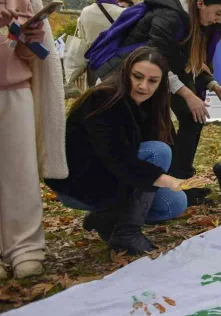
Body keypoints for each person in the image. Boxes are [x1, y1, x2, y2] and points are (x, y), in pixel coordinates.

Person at [45, 47, 187, 254]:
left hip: (113, 176)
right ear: (125, 72)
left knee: (174, 203)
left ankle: (106, 217)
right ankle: (127, 232)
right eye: (137, 77)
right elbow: (117, 158)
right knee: (159, 152)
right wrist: (166, 180)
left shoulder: (149, 104)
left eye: (152, 81)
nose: (143, 86)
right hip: (82, 182)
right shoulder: (103, 99)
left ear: (160, 83)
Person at [94, 0, 221, 179]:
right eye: (218, 13)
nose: (219, 20)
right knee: (158, 132)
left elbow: (184, 60)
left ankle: (175, 180)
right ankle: (162, 181)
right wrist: (187, 94)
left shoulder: (191, 20)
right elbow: (156, 61)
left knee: (183, 122)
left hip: (153, 76)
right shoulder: (170, 16)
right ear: (201, 3)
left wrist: (211, 83)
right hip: (129, 77)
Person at [0, 0, 68, 280]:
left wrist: (30, 35)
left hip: (14, 91)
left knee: (19, 171)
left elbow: (31, 56)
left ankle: (24, 244)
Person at [77, 0, 125, 86]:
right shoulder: (124, 14)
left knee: (95, 101)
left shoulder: (85, 12)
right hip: (117, 67)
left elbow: (82, 39)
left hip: (94, 65)